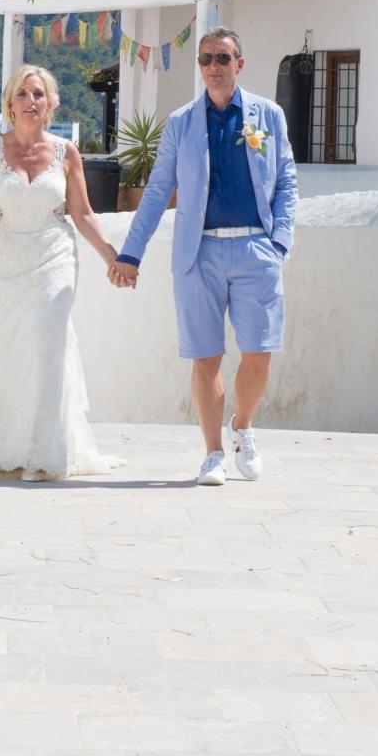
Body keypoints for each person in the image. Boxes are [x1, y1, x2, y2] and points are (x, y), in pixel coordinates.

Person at [108, 27, 296, 486]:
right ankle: (213, 453)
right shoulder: (181, 123)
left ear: (239, 64)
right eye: (206, 58)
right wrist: (131, 253)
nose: (214, 66)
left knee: (260, 353)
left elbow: (287, 180)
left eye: (223, 58)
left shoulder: (268, 116)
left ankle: (243, 426)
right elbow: (157, 191)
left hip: (256, 248)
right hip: (199, 251)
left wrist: (279, 243)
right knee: (205, 357)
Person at [0, 65, 124, 480]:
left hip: (53, 260)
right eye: (23, 94)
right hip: (3, 264)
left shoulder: (66, 153)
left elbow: (83, 213)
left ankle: (45, 452)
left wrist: (112, 257)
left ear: (51, 104)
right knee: (11, 352)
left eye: (38, 94)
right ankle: (15, 442)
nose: (30, 101)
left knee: (46, 343)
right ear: (10, 104)